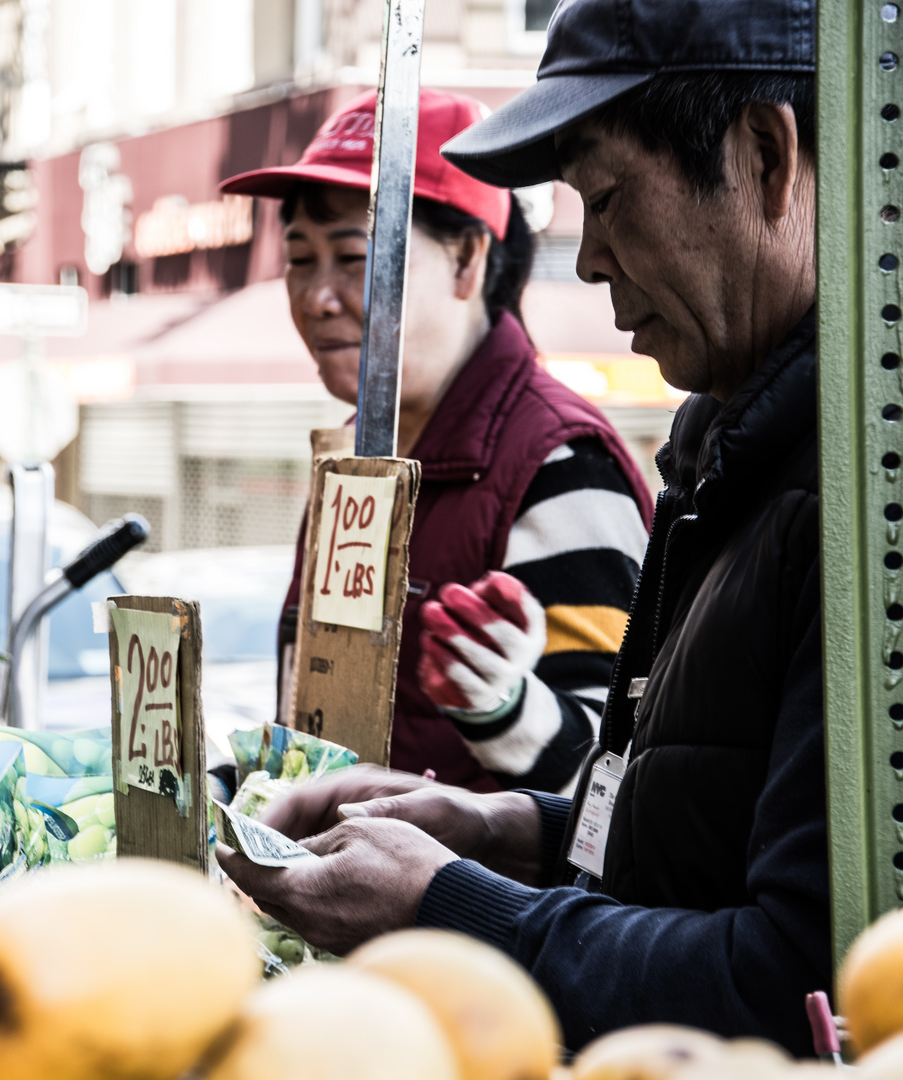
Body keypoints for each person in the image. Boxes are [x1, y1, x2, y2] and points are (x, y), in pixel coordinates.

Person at [218, 0, 826, 1054]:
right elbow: (658, 829)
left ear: (766, 156)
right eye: (300, 259)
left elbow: (797, 977)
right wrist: (493, 829)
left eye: (609, 199)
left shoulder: (833, 505)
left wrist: (451, 901)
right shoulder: (721, 465)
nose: (589, 263)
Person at [220, 89, 651, 795]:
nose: (317, 296)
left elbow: (612, 785)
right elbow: (322, 737)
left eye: (354, 257)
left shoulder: (560, 465)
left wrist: (503, 708)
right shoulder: (356, 464)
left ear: (467, 261)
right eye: (299, 259)